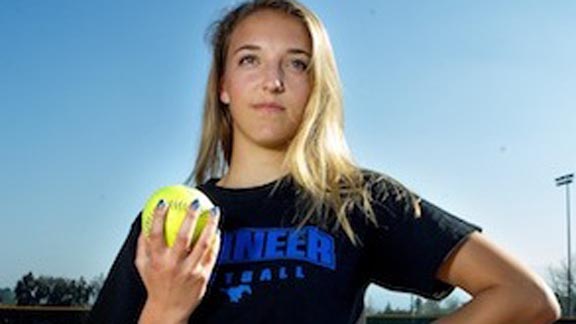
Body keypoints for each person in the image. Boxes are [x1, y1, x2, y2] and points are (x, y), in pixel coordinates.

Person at [89, 0, 561, 323]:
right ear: (223, 87)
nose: (272, 81)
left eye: (297, 63)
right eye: (250, 60)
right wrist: (166, 310)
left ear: (317, 86)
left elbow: (528, 298)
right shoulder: (175, 220)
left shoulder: (359, 199)